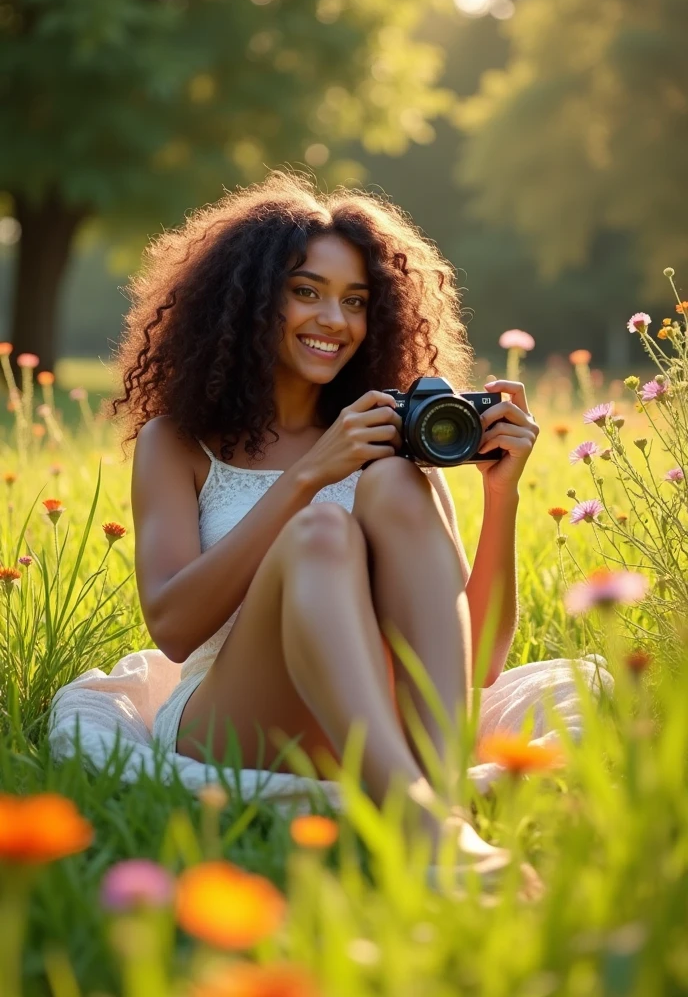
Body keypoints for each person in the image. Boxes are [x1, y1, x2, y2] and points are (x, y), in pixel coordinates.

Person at [109, 169, 541, 880]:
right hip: (236, 717)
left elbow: (479, 663)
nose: (333, 321)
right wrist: (309, 478)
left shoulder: (390, 443)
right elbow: (174, 627)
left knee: (397, 480)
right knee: (321, 534)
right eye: (306, 291)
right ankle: (422, 825)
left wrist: (504, 496)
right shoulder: (178, 441)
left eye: (356, 301)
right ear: (246, 302)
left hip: (372, 718)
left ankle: (442, 804)